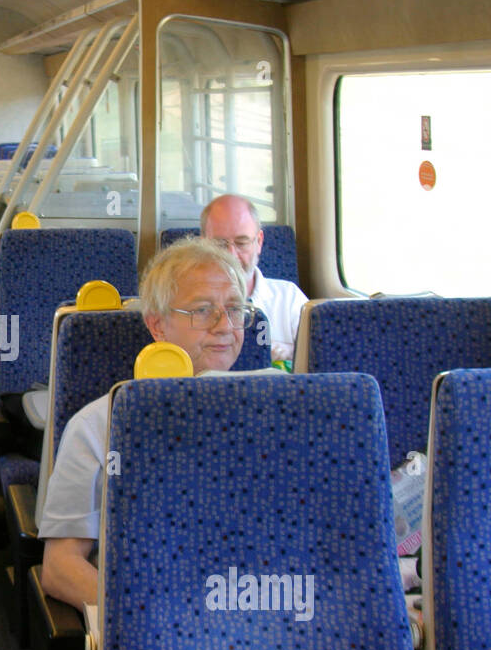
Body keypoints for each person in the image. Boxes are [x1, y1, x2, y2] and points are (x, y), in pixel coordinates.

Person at [39, 238, 256, 609]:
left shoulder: (276, 415)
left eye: (235, 309)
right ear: (157, 325)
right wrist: (150, 622)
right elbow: (60, 567)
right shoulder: (98, 425)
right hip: (150, 613)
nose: (225, 326)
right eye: (203, 310)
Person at [199, 194, 307, 366]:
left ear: (259, 242)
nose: (231, 255)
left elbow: (321, 357)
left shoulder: (289, 298)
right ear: (202, 244)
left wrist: (290, 351)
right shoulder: (183, 301)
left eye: (241, 243)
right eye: (220, 244)